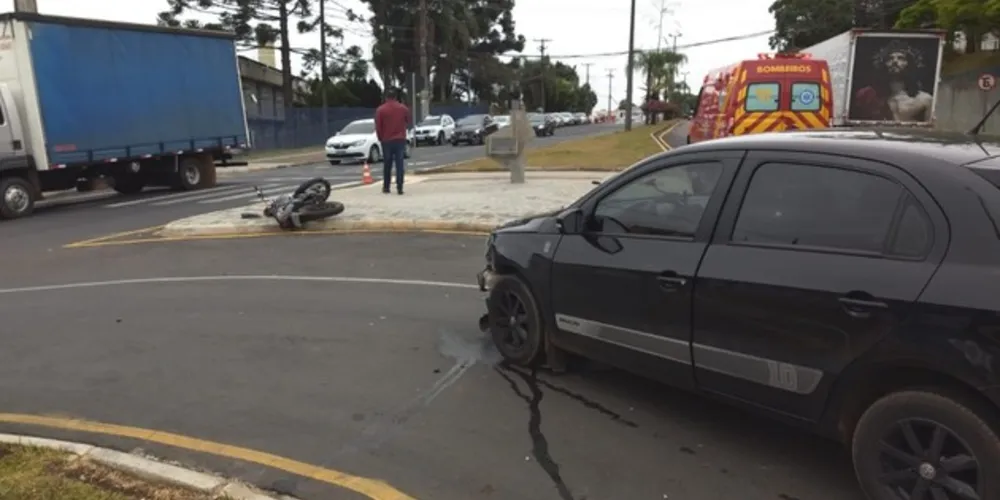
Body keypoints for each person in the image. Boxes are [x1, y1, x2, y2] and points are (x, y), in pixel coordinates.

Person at [374, 88, 411, 194]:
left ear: (386, 98)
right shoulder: (403, 108)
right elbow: (408, 120)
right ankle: (400, 187)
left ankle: (386, 187)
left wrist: (380, 138)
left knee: (387, 164)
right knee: (399, 163)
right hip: (400, 139)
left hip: (386, 140)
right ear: (396, 97)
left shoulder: (381, 110)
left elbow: (378, 126)